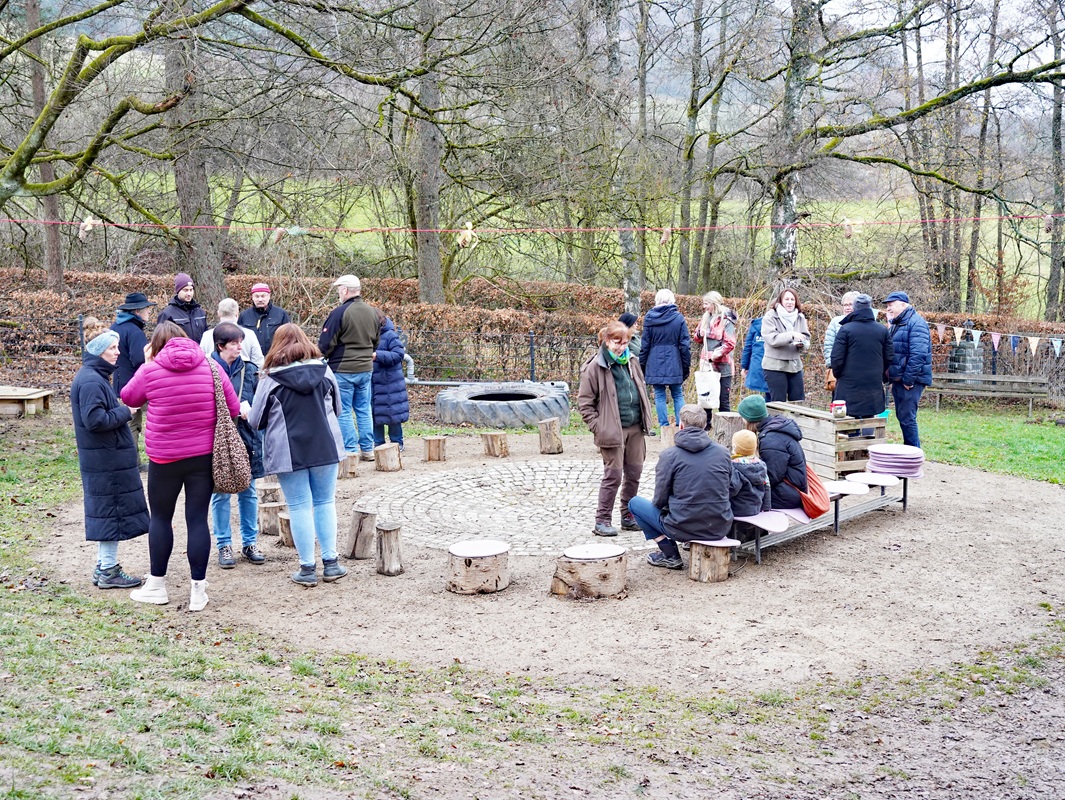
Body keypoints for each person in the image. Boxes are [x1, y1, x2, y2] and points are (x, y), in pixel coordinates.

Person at [121, 321, 240, 611]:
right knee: (197, 520)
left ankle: (157, 586)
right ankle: (198, 591)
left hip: (164, 458)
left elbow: (128, 397)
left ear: (157, 345)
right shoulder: (212, 368)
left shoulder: (151, 370)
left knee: (161, 519)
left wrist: (148, 362)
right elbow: (234, 408)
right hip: (202, 456)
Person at [250, 324, 348, 586]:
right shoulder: (325, 370)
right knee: (325, 502)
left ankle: (307, 569)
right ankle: (331, 563)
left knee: (299, 506)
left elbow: (256, 419)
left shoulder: (269, 378)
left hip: (287, 451)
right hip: (325, 445)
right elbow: (337, 408)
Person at [71, 328, 149, 590]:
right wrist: (126, 411)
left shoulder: (94, 376)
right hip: (106, 460)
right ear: (99, 352)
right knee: (111, 514)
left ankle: (103, 565)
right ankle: (108, 570)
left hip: (105, 458)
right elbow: (94, 420)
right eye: (113, 348)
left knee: (108, 513)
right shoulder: (92, 381)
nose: (118, 352)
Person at [627, 404, 733, 570]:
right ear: (705, 425)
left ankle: (669, 553)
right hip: (719, 526)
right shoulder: (723, 452)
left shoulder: (669, 455)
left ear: (681, 425)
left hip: (682, 528)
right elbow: (729, 486)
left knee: (634, 503)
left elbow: (659, 499)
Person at [578, 320, 653, 537]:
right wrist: (599, 428)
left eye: (625, 342)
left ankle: (628, 516)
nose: (622, 347)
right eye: (617, 342)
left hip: (636, 427)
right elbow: (585, 404)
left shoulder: (632, 360)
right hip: (612, 430)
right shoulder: (595, 367)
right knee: (613, 476)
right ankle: (602, 520)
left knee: (635, 473)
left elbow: (640, 391)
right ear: (606, 340)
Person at [208, 323, 266, 568]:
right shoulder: (205, 370)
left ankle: (250, 542)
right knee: (220, 494)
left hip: (247, 437)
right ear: (221, 346)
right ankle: (224, 545)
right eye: (234, 343)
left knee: (249, 491)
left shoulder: (251, 370)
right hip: (218, 439)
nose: (240, 346)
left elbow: (260, 401)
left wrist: (251, 411)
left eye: (240, 342)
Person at [318, 274, 379, 461]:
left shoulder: (339, 313)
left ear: (344, 290)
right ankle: (368, 449)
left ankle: (350, 449)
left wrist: (321, 356)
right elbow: (376, 342)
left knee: (343, 410)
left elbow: (326, 344)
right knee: (364, 409)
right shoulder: (373, 312)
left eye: (339, 290)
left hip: (342, 369)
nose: (338, 293)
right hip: (366, 368)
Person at [737, 394, 807, 510]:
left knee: (742, 497)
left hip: (790, 494)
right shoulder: (774, 428)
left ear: (749, 418)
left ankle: (752, 527)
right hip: (791, 488)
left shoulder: (771, 440)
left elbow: (771, 477)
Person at [111, 291, 156, 468]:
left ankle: (129, 461)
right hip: (133, 384)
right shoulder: (134, 331)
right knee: (133, 423)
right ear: (137, 312)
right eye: (147, 310)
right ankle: (132, 463)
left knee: (127, 420)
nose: (148, 313)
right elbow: (140, 358)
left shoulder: (115, 326)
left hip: (119, 381)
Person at [830, 294, 893, 420]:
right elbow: (889, 357)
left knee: (848, 420)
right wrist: (881, 375)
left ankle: (852, 438)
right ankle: (869, 438)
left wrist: (838, 375)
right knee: (869, 417)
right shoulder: (882, 330)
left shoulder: (846, 329)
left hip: (848, 384)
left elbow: (836, 358)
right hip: (873, 383)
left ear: (854, 309)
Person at [884, 291, 932, 447]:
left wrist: (908, 380)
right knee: (904, 417)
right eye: (887, 306)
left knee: (907, 418)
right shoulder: (898, 323)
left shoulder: (916, 323)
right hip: (900, 380)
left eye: (891, 305)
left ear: (903, 305)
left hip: (910, 381)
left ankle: (912, 456)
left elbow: (918, 355)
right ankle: (911, 455)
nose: (888, 308)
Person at [638, 288, 690, 429]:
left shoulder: (649, 318)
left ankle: (664, 426)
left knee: (659, 395)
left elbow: (645, 345)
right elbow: (685, 345)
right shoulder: (678, 318)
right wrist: (686, 365)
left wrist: (642, 365)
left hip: (654, 361)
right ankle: (681, 426)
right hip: (674, 360)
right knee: (677, 394)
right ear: (672, 300)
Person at [760, 287, 810, 403]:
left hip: (795, 365)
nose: (790, 302)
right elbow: (772, 339)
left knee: (798, 401)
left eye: (792, 299)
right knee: (779, 403)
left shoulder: (800, 317)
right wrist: (791, 335)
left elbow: (806, 337)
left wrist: (802, 344)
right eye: (786, 299)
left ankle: (796, 422)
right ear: (780, 301)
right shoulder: (770, 316)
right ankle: (777, 421)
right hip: (774, 365)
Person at [693, 291, 737, 417]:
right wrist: (700, 334)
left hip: (723, 367)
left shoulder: (726, 320)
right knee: (706, 399)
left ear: (714, 303)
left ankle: (725, 428)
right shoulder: (706, 318)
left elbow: (730, 343)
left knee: (723, 399)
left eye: (706, 304)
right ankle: (706, 428)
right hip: (706, 366)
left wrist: (714, 355)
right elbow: (696, 337)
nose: (704, 307)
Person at [371, 309, 410, 451]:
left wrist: (377, 356)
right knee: (375, 415)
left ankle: (397, 443)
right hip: (374, 384)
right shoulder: (366, 336)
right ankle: (378, 444)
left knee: (393, 416)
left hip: (390, 384)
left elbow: (398, 355)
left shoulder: (390, 335)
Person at [200, 298, 264, 368]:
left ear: (218, 314)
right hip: (244, 376)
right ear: (237, 313)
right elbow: (258, 363)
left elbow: (202, 361)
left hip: (214, 375)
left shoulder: (207, 335)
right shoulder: (249, 334)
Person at [239, 282, 291, 356]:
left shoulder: (281, 314)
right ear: (252, 297)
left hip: (275, 359)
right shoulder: (244, 315)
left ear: (269, 296)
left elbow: (289, 337)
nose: (260, 299)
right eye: (257, 296)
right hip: (251, 360)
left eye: (263, 296)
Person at [823, 291, 860, 395]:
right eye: (845, 305)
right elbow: (828, 345)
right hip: (839, 370)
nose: (847, 308)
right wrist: (832, 365)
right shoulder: (835, 322)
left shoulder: (863, 323)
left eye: (850, 304)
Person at [157, 273, 207, 342]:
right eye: (185, 290)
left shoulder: (200, 313)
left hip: (199, 352)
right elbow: (161, 341)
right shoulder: (167, 314)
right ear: (178, 291)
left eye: (191, 290)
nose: (189, 294)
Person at [740, 316, 770, 398]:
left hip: (757, 365)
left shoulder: (756, 324)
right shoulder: (782, 323)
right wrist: (745, 366)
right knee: (773, 397)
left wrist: (745, 366)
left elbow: (748, 347)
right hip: (774, 367)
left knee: (769, 396)